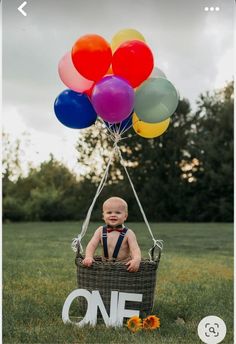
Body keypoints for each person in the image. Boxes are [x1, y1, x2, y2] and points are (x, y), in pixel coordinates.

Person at [82, 197, 141, 272]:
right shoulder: (100, 230)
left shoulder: (128, 233)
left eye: (118, 212)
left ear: (125, 216)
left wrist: (136, 259)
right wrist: (89, 257)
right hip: (105, 266)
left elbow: (135, 249)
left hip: (123, 266)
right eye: (109, 212)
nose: (113, 215)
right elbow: (92, 245)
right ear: (103, 216)